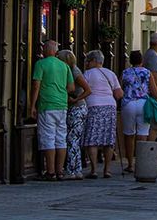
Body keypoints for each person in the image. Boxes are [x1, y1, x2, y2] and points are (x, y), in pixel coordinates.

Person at [29, 40, 75, 181]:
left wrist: (32, 106)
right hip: (62, 105)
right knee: (60, 139)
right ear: (55, 51)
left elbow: (36, 86)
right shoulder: (64, 66)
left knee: (48, 138)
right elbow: (72, 88)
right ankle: (60, 171)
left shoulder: (41, 64)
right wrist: (61, 92)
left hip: (47, 105)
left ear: (45, 49)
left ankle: (50, 172)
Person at [83, 50, 123, 179]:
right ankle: (107, 170)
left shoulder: (88, 74)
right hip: (109, 106)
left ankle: (94, 170)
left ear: (94, 61)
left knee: (92, 138)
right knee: (108, 139)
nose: (86, 64)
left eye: (88, 61)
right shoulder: (110, 74)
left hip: (93, 106)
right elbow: (119, 94)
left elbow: (83, 89)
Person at [120, 50, 157, 172]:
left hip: (128, 104)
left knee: (128, 134)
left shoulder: (125, 72)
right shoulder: (147, 73)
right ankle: (141, 163)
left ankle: (130, 164)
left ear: (130, 61)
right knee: (142, 134)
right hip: (143, 104)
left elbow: (119, 88)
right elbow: (155, 92)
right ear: (141, 60)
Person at [57, 49, 91, 180]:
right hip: (75, 108)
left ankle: (72, 170)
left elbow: (88, 90)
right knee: (73, 139)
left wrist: (75, 99)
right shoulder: (69, 70)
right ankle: (76, 169)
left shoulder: (75, 71)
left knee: (72, 139)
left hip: (77, 108)